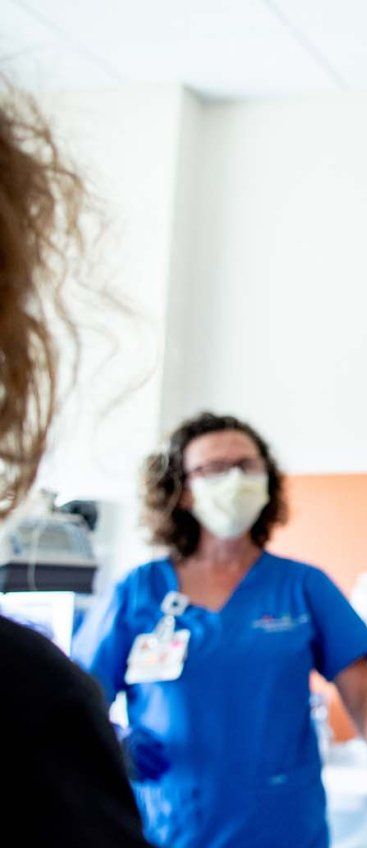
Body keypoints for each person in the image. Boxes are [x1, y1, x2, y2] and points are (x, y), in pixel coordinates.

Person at [72, 411, 367, 848]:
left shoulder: (302, 586)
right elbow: (78, 699)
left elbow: (362, 688)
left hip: (282, 826)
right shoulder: (138, 591)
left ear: (267, 480)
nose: (234, 479)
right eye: (215, 469)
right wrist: (116, 742)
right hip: (171, 824)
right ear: (183, 491)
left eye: (247, 465)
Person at [0, 90, 151, 845]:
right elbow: (102, 675)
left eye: (246, 467)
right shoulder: (28, 706)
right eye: (214, 468)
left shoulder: (33, 705)